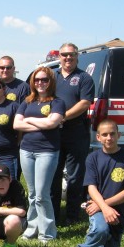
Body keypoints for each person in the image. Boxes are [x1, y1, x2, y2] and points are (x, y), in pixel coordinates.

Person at [67, 119, 124, 247]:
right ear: (98, 137)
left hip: (116, 211)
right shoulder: (92, 158)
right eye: (105, 134)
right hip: (97, 207)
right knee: (101, 229)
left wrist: (104, 206)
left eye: (112, 134)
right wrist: (104, 208)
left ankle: (101, 236)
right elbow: (91, 187)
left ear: (119, 135)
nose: (109, 138)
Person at [13, 67, 65, 244]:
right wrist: (43, 124)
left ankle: (48, 232)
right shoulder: (27, 102)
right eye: (37, 80)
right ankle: (32, 227)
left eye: (44, 80)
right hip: (26, 150)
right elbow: (16, 124)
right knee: (33, 193)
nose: (40, 83)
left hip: (47, 152)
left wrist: (29, 120)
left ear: (51, 82)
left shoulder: (57, 102)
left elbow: (53, 122)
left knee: (43, 194)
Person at [51, 42, 96, 226]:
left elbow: (85, 103)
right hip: (53, 134)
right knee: (53, 175)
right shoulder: (52, 77)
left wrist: (62, 117)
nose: (68, 58)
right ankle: (52, 215)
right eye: (64, 54)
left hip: (76, 132)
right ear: (59, 57)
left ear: (77, 56)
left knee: (75, 176)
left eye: (71, 54)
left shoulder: (84, 78)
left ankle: (72, 216)